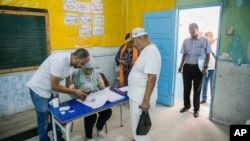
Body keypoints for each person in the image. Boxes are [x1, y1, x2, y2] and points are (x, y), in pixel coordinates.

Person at [27, 48, 90, 141]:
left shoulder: (71, 64)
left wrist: (78, 92)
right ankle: (44, 139)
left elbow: (69, 84)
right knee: (43, 120)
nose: (82, 66)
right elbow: (55, 86)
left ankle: (58, 138)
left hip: (52, 92)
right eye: (82, 63)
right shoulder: (59, 61)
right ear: (76, 58)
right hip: (39, 91)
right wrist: (75, 92)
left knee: (56, 117)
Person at [127, 27, 161, 141]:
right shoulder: (146, 51)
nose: (133, 45)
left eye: (134, 41)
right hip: (137, 96)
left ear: (140, 39)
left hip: (142, 99)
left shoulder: (151, 52)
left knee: (142, 128)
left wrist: (145, 102)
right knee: (136, 125)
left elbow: (152, 78)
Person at [72, 57, 112, 141]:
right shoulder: (76, 74)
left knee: (108, 111)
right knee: (91, 115)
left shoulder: (96, 73)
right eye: (87, 69)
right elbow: (72, 91)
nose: (89, 71)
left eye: (91, 69)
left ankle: (99, 127)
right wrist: (78, 92)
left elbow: (103, 87)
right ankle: (89, 137)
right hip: (83, 99)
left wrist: (101, 84)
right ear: (82, 67)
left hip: (96, 97)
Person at [178, 23, 212, 118]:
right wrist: (181, 66)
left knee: (197, 90)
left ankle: (196, 110)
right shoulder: (186, 41)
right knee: (186, 88)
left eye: (192, 30)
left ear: (197, 29)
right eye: (189, 30)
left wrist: (205, 67)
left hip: (199, 68)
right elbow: (184, 54)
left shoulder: (205, 40)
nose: (191, 32)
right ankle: (186, 106)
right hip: (187, 67)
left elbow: (208, 54)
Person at [200, 31, 217, 104]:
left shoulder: (215, 46)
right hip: (205, 69)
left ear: (211, 37)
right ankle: (204, 99)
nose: (206, 38)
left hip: (213, 69)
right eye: (205, 37)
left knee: (212, 86)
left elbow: (217, 58)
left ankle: (213, 100)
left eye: (207, 37)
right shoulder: (205, 46)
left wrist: (216, 67)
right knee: (204, 85)